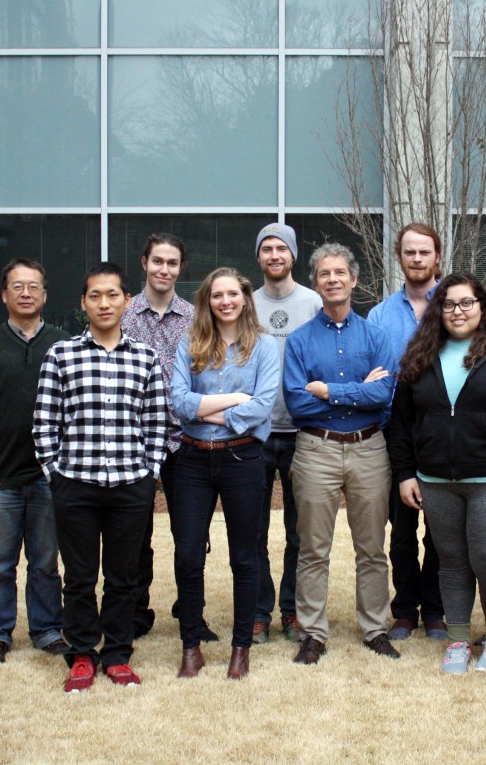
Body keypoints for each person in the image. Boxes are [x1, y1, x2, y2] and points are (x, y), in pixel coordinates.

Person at [389, 273, 486, 674]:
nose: (457, 311)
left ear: (482, 306)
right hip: (436, 480)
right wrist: (406, 473)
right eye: (448, 304)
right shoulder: (423, 354)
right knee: (452, 561)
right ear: (438, 311)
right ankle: (458, 640)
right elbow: (403, 421)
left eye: (466, 303)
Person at [34, 262, 167, 692]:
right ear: (83, 303)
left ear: (127, 300)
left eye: (113, 295)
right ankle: (82, 654)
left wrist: (149, 474)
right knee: (79, 577)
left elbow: (156, 423)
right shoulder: (61, 355)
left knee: (124, 577)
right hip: (75, 485)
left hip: (130, 485)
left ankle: (118, 654)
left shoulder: (145, 358)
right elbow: (45, 422)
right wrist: (55, 474)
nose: (104, 303)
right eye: (95, 295)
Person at [284, 242, 401, 665]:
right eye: (324, 274)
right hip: (316, 449)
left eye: (340, 273)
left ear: (353, 279)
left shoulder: (377, 337)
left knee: (372, 548)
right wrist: (357, 393)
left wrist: (329, 391)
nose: (332, 279)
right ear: (316, 284)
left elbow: (383, 394)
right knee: (313, 548)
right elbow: (297, 404)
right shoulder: (299, 341)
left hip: (369, 449)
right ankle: (313, 633)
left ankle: (375, 629)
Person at [169, 268, 280, 679]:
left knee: (245, 557)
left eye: (233, 294)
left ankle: (240, 648)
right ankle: (191, 647)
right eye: (218, 295)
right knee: (187, 555)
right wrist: (234, 399)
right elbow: (179, 401)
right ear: (208, 300)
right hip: (192, 460)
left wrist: (206, 412)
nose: (226, 301)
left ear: (245, 298)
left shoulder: (264, 347)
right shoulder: (190, 342)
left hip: (242, 459)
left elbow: (262, 406)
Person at [0, 258, 67, 665]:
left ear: (45, 295)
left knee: (45, 563)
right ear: (4, 295)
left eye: (33, 286)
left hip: (48, 476)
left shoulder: (63, 345)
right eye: (17, 286)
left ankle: (47, 629)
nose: (26, 293)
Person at [119, 233, 217, 643]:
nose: (164, 269)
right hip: (134, 441)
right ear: (144, 263)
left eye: (172, 263)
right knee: (134, 534)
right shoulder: (123, 315)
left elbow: (209, 373)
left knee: (190, 536)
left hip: (184, 441)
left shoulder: (196, 318)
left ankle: (190, 611)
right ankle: (135, 613)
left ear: (181, 268)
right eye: (158, 261)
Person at [366, 222, 446, 642]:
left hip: (443, 433)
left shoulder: (453, 305)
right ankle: (404, 610)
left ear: (437, 257)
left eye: (424, 252)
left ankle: (434, 609)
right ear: (399, 257)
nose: (417, 259)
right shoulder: (380, 315)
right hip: (392, 433)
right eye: (409, 252)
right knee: (400, 531)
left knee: (440, 530)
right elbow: (373, 374)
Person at [251, 223, 321, 644]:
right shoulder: (246, 303)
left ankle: (292, 611)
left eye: (282, 248)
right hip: (256, 434)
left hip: (303, 432)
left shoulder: (313, 302)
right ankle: (259, 613)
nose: (274, 255)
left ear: (293, 255)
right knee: (254, 530)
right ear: (259, 256)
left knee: (300, 532)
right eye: (267, 249)